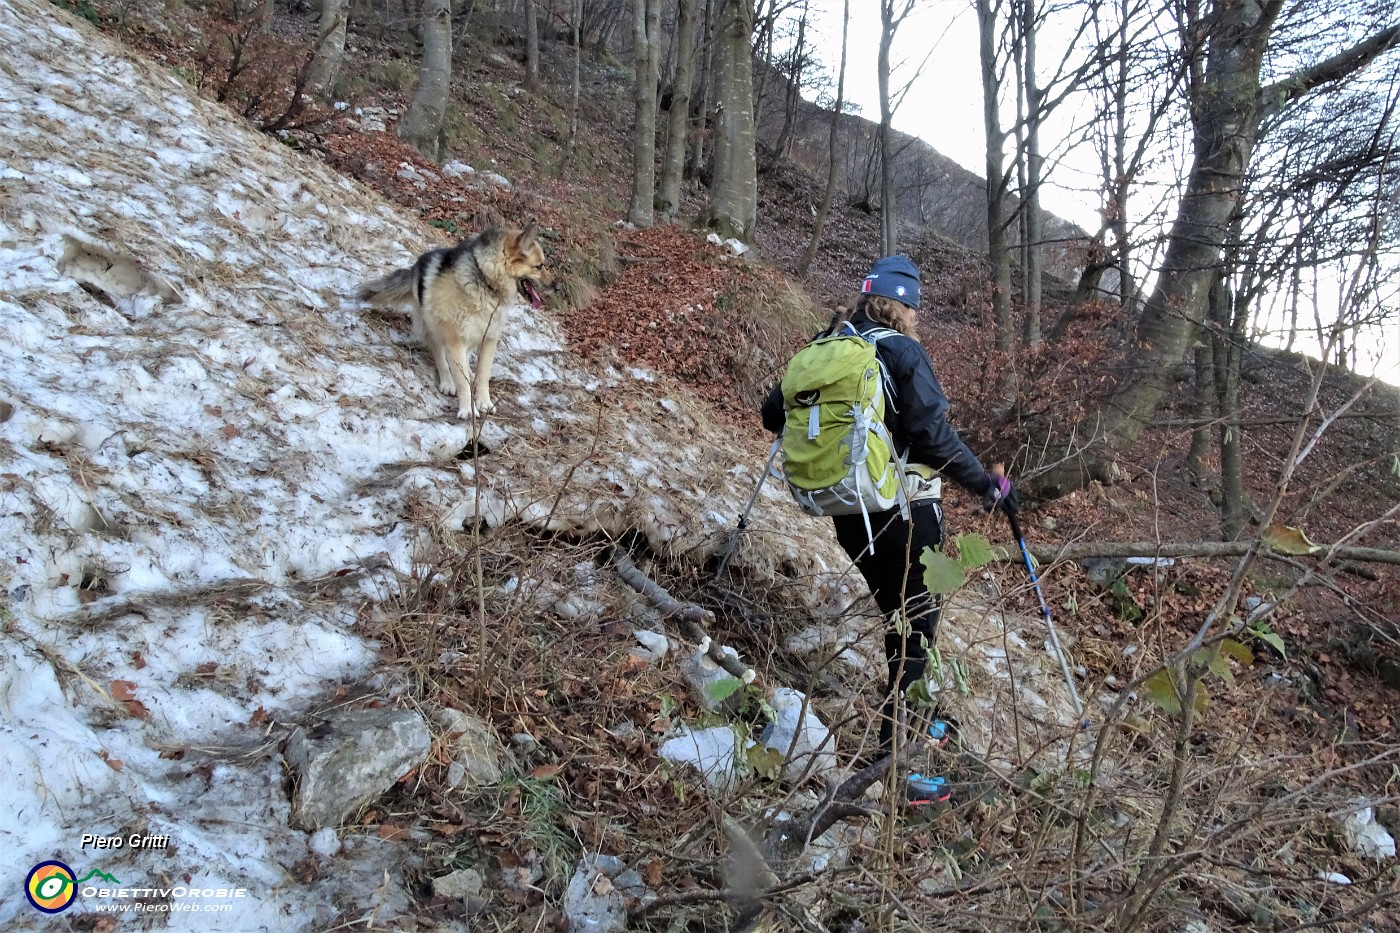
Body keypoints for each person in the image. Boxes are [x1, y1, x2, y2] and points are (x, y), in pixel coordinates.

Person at [761, 254, 1018, 764]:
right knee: (916, 623)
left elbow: (773, 413)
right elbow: (932, 435)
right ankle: (898, 752)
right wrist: (986, 485)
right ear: (906, 307)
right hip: (902, 509)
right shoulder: (902, 352)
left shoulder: (827, 346)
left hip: (848, 510)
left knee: (898, 617)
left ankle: (911, 714)